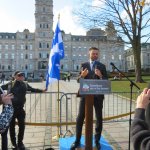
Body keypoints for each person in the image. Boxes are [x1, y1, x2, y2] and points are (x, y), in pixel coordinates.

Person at [71, 47, 108, 150]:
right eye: (93, 53)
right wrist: (82, 76)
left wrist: (100, 76)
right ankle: (77, 141)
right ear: (89, 54)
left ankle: (97, 141)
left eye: (97, 54)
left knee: (99, 118)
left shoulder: (101, 66)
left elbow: (106, 81)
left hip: (98, 97)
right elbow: (78, 81)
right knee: (80, 118)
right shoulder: (84, 65)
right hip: (85, 96)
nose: (95, 55)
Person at [1, 71, 47, 150]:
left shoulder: (24, 84)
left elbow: (32, 89)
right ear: (15, 76)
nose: (21, 76)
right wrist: (4, 97)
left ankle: (20, 143)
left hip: (20, 109)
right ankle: (14, 144)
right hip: (11, 110)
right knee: (11, 127)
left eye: (22, 75)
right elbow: (1, 88)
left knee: (22, 126)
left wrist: (42, 90)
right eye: (19, 75)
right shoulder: (10, 84)